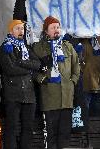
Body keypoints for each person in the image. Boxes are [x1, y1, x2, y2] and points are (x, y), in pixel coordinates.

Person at [33, 16, 80, 149]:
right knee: (51, 135)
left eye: (58, 27)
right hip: (49, 98)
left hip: (66, 98)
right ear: (46, 31)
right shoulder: (38, 48)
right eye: (53, 27)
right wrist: (42, 79)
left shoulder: (68, 46)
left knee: (65, 134)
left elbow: (76, 67)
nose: (56, 30)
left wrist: (73, 82)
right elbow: (33, 69)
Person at [0, 20, 40, 149]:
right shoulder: (4, 48)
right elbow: (10, 69)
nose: (21, 31)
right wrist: (29, 69)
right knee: (12, 127)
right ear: (11, 31)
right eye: (17, 28)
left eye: (22, 29)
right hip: (12, 94)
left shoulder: (26, 48)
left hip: (29, 94)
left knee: (28, 127)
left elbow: (37, 64)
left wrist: (20, 62)